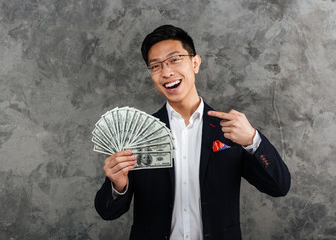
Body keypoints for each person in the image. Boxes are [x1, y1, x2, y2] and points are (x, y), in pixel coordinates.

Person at [95, 25, 291, 240]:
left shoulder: (230, 130)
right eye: (156, 66)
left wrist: (253, 140)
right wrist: (118, 185)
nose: (167, 72)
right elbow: (108, 212)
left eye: (174, 59)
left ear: (195, 63)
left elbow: (278, 186)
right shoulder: (138, 135)